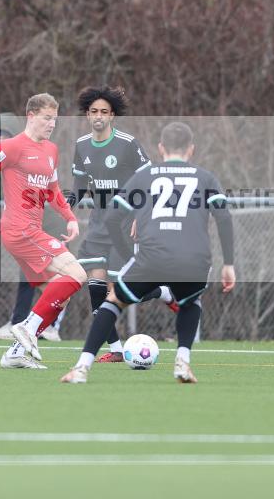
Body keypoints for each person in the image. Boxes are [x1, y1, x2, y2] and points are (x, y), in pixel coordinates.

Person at [61, 122, 236, 384]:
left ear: (161, 148)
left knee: (114, 302)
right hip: (194, 260)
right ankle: (182, 363)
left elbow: (112, 218)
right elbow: (224, 218)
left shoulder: (145, 176)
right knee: (190, 302)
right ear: (191, 149)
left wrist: (125, 252)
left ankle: (81, 368)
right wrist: (229, 263)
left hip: (151, 258)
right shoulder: (206, 177)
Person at [0, 93, 86, 369]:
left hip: (32, 230)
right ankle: (26, 327)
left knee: (59, 292)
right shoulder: (12, 147)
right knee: (77, 273)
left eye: (55, 119)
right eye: (47, 118)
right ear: (31, 116)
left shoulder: (51, 150)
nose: (51, 124)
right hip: (19, 230)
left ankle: (14, 353)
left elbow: (53, 191)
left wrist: (70, 217)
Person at [67, 86, 176, 363]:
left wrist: (142, 216)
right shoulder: (81, 146)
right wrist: (64, 211)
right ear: (87, 115)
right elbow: (79, 187)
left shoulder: (127, 144)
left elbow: (149, 180)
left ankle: (162, 291)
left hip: (124, 225)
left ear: (112, 115)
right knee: (95, 287)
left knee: (120, 290)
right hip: (97, 226)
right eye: (93, 112)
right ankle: (115, 348)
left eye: (104, 111)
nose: (98, 116)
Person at [0, 113, 60, 343]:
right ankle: (30, 323)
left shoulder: (29, 156)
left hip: (42, 225)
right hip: (25, 227)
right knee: (31, 277)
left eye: (4, 136)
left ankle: (46, 325)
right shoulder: (5, 159)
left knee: (46, 277)